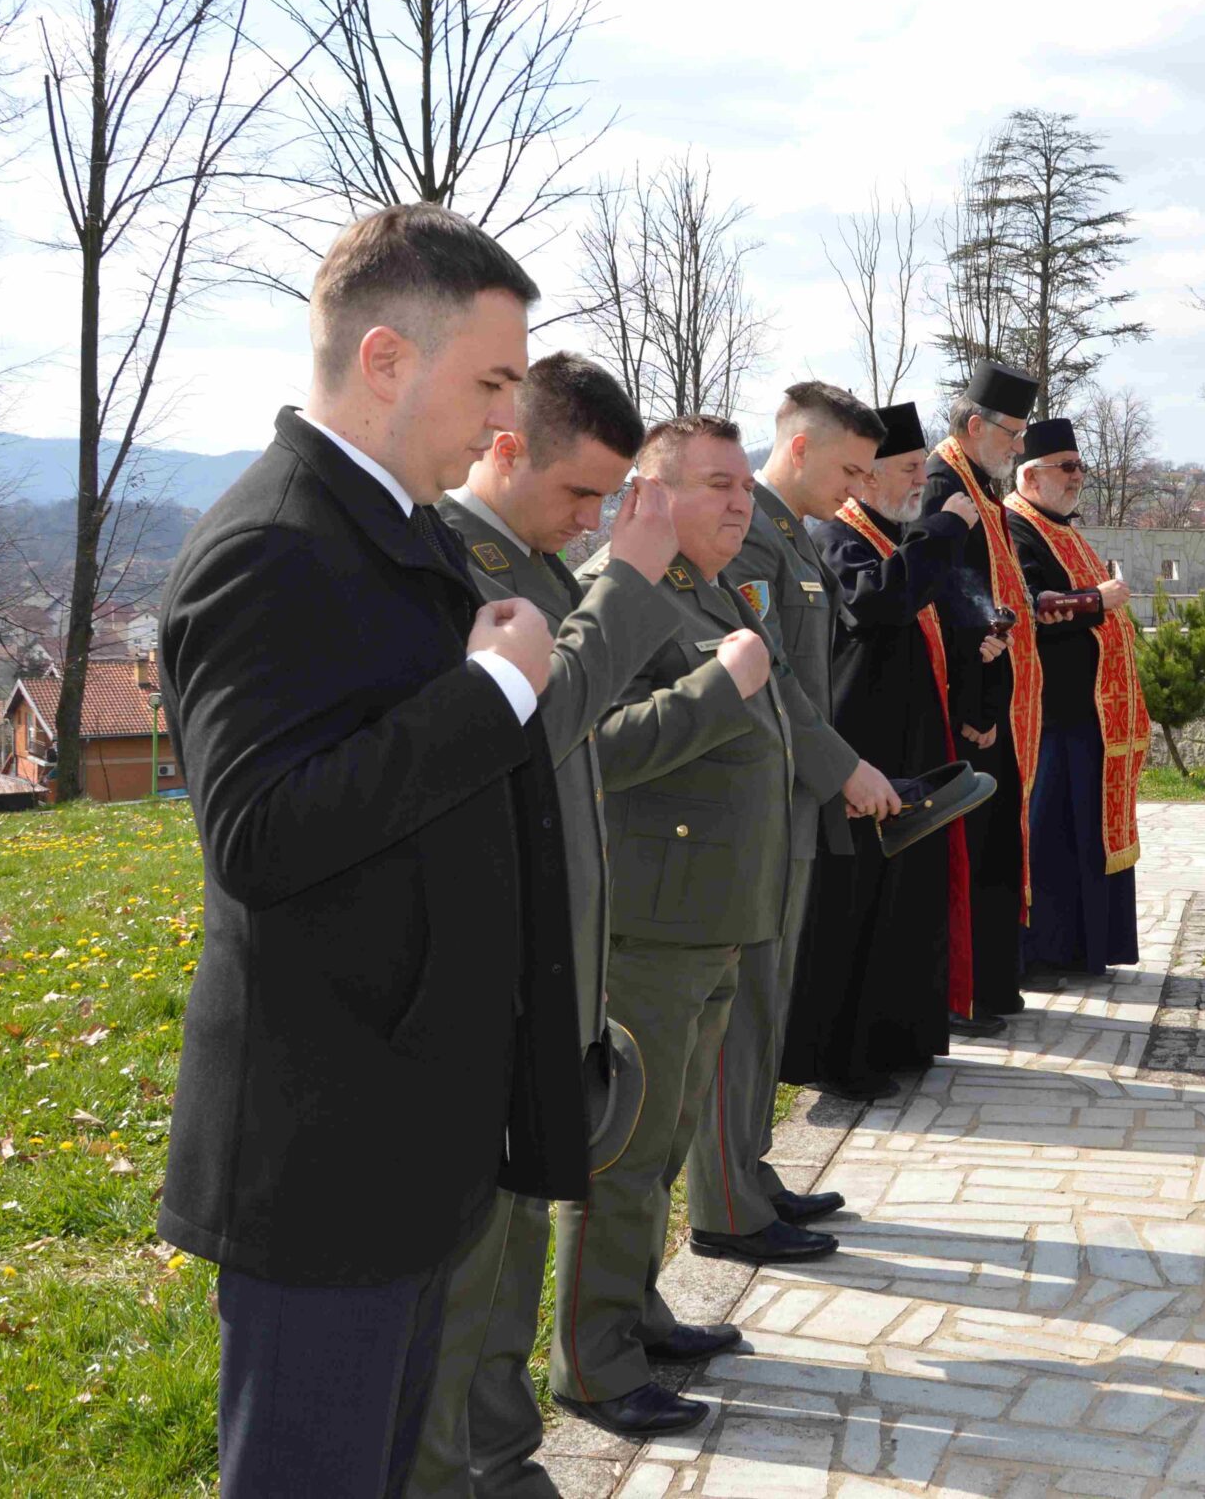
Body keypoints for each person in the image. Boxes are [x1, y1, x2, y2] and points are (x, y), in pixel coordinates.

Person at [156, 204, 581, 1497]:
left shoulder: (392, 527)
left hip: (403, 1130)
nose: (506, 423)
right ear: (387, 358)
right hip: (326, 1154)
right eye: (492, 383)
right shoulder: (273, 546)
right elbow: (260, 833)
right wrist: (490, 694)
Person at [412, 354, 682, 1499]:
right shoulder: (452, 559)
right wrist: (630, 581)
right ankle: (457, 1468)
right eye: (579, 493)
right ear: (506, 447)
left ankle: (501, 1455)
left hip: (547, 966)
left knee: (513, 1252)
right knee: (471, 1268)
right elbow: (530, 724)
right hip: (491, 975)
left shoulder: (535, 563)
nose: (589, 521)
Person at [552, 415, 793, 1440]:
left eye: (745, 484)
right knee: (625, 1150)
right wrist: (718, 684)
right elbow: (591, 748)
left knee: (663, 1145)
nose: (742, 501)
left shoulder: (708, 589)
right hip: (647, 927)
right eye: (716, 485)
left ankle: (635, 1311)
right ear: (650, 496)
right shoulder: (619, 593)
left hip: (710, 917)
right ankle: (594, 1363)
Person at [683, 383, 901, 1260]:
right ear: (801, 448)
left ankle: (750, 1172)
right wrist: (840, 767)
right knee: (738, 1016)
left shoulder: (792, 536)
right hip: (756, 801)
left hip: (789, 802)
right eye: (849, 468)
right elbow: (763, 680)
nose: (857, 487)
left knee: (766, 1006)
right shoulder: (750, 536)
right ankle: (725, 1206)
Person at [784, 402, 999, 1100]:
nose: (921, 482)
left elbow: (925, 613)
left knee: (907, 902)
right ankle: (844, 1058)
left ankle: (901, 1038)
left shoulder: (890, 534)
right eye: (909, 470)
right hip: (862, 754)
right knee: (858, 910)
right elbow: (878, 604)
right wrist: (943, 530)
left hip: (909, 746)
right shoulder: (837, 536)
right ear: (867, 475)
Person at [1005, 418, 1146, 979]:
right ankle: (1047, 951)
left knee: (1086, 831)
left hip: (1091, 716)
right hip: (1049, 715)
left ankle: (1089, 948)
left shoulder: (1059, 526)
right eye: (1066, 468)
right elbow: (1031, 605)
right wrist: (1096, 600)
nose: (1077, 477)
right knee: (1053, 833)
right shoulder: (1016, 527)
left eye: (1079, 466)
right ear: (1029, 476)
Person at [923, 363, 1042, 1020]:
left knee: (994, 847)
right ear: (975, 425)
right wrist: (976, 707)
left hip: (993, 696)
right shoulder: (943, 484)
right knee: (974, 851)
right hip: (970, 705)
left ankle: (993, 985)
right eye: (1013, 433)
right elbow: (947, 598)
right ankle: (967, 994)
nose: (1019, 446)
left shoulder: (979, 484)